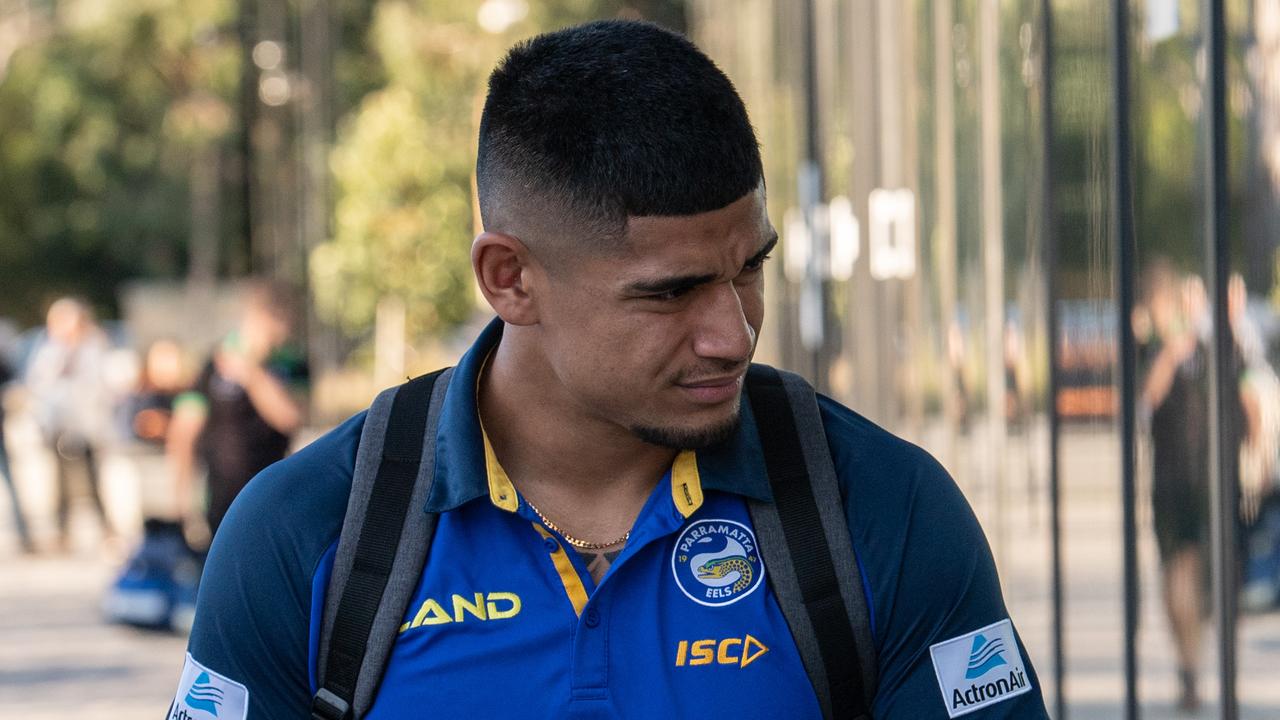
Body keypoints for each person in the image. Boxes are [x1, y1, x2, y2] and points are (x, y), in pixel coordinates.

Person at [170, 21, 1047, 719]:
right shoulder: (305, 537)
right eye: (671, 294)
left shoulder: (882, 510)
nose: (734, 333)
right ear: (509, 279)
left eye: (750, 268)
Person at [166, 281, 307, 540]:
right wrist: (181, 502)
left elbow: (290, 418)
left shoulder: (291, 364)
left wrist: (253, 376)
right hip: (222, 497)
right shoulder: (214, 363)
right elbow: (183, 431)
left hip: (272, 493)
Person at [24, 297, 115, 551]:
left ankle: (106, 529)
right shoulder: (48, 350)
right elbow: (39, 385)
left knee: (93, 479)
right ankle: (62, 532)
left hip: (87, 425)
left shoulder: (93, 348)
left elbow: (99, 387)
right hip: (57, 425)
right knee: (59, 482)